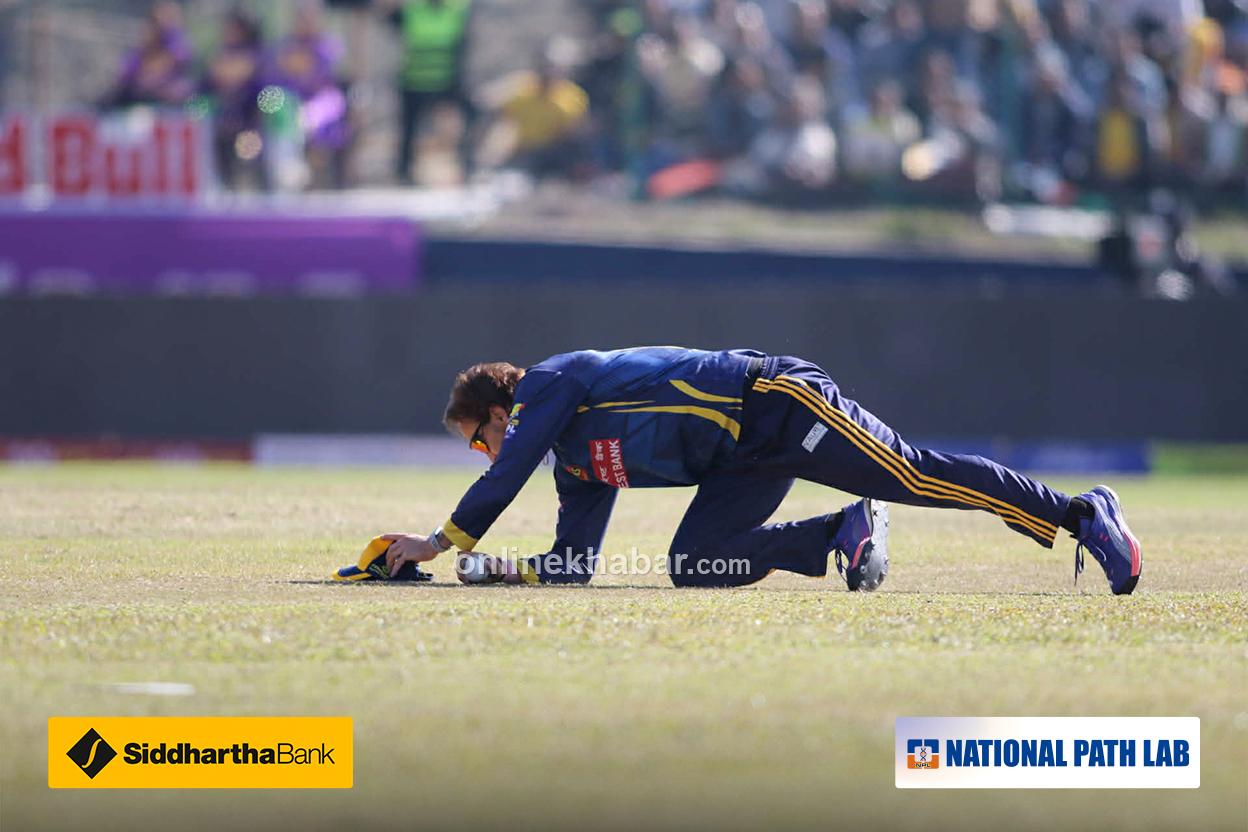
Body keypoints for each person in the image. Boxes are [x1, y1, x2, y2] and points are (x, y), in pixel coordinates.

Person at [372, 347, 1142, 595]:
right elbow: (574, 565)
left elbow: (504, 476)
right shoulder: (573, 464)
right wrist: (501, 569)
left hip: (774, 401)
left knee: (912, 475)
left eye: (481, 439)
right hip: (739, 459)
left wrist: (438, 543)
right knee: (692, 565)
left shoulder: (548, 384)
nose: (488, 453)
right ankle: (837, 533)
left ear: (501, 409)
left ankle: (1080, 514)